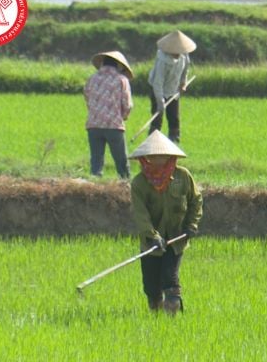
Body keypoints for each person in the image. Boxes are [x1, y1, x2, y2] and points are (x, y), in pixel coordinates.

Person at [129, 130, 203, 314]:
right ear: (146, 158)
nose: (159, 160)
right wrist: (152, 236)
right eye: (154, 156)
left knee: (170, 280)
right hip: (151, 243)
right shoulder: (140, 183)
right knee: (151, 286)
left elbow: (196, 200)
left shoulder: (182, 177)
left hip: (176, 239)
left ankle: (173, 318)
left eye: (162, 156)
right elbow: (140, 213)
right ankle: (156, 315)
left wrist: (191, 225)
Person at [84, 51, 134, 178]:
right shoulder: (122, 80)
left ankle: (95, 184)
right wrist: (124, 116)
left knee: (96, 161)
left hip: (93, 125)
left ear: (102, 63)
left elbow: (87, 98)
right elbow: (127, 104)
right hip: (114, 126)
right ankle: (125, 184)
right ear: (119, 65)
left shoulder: (92, 78)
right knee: (121, 160)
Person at [147, 30, 196, 143]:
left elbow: (185, 69)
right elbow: (157, 83)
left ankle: (174, 143)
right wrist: (160, 102)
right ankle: (152, 145)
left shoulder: (184, 54)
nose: (178, 53)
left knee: (174, 117)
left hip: (173, 90)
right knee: (157, 118)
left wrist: (183, 82)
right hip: (158, 90)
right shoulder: (162, 61)